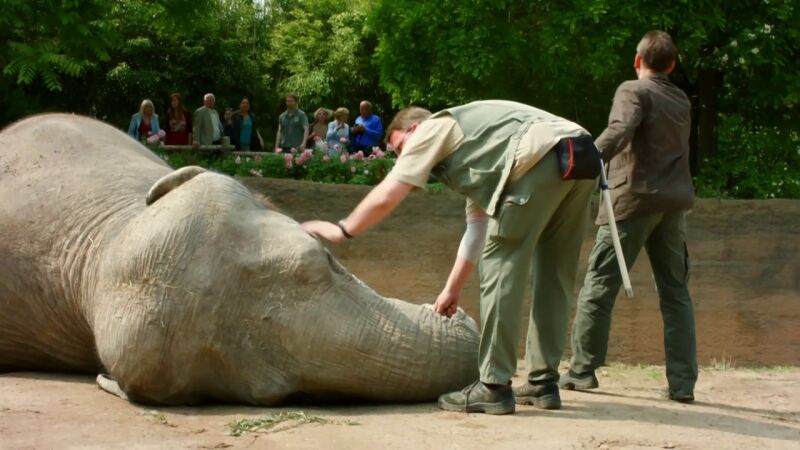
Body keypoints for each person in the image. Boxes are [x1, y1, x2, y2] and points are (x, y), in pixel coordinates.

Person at [302, 100, 597, 415]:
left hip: (539, 156)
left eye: (401, 147)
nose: (402, 158)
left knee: (500, 266)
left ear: (414, 128)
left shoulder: (434, 127)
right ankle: (542, 383)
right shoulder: (480, 150)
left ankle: (494, 386)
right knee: (554, 274)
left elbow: (390, 192)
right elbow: (476, 231)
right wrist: (451, 290)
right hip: (581, 157)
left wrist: (343, 230)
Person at [559, 31, 698, 403]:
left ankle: (581, 371)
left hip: (633, 202)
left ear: (637, 61)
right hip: (673, 206)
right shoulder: (680, 98)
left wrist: (580, 159)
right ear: (671, 65)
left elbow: (620, 129)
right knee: (676, 293)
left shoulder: (632, 90)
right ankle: (683, 385)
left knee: (599, 284)